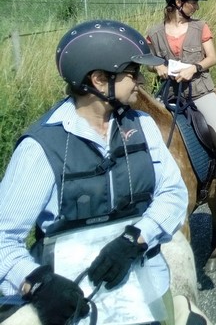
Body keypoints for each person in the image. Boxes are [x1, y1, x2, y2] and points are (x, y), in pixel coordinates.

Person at [0, 20, 188, 325]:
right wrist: (36, 281)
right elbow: (3, 237)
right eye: (132, 73)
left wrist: (136, 239)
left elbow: (173, 193)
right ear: (99, 80)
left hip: (144, 288)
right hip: (70, 304)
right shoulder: (40, 148)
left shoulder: (144, 126)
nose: (141, 80)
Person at [146, 0, 216, 206]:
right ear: (178, 3)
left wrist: (194, 68)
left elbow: (212, 58)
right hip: (169, 93)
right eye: (193, 2)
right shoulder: (154, 32)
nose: (196, 6)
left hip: (200, 91)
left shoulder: (200, 27)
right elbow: (150, 60)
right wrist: (157, 67)